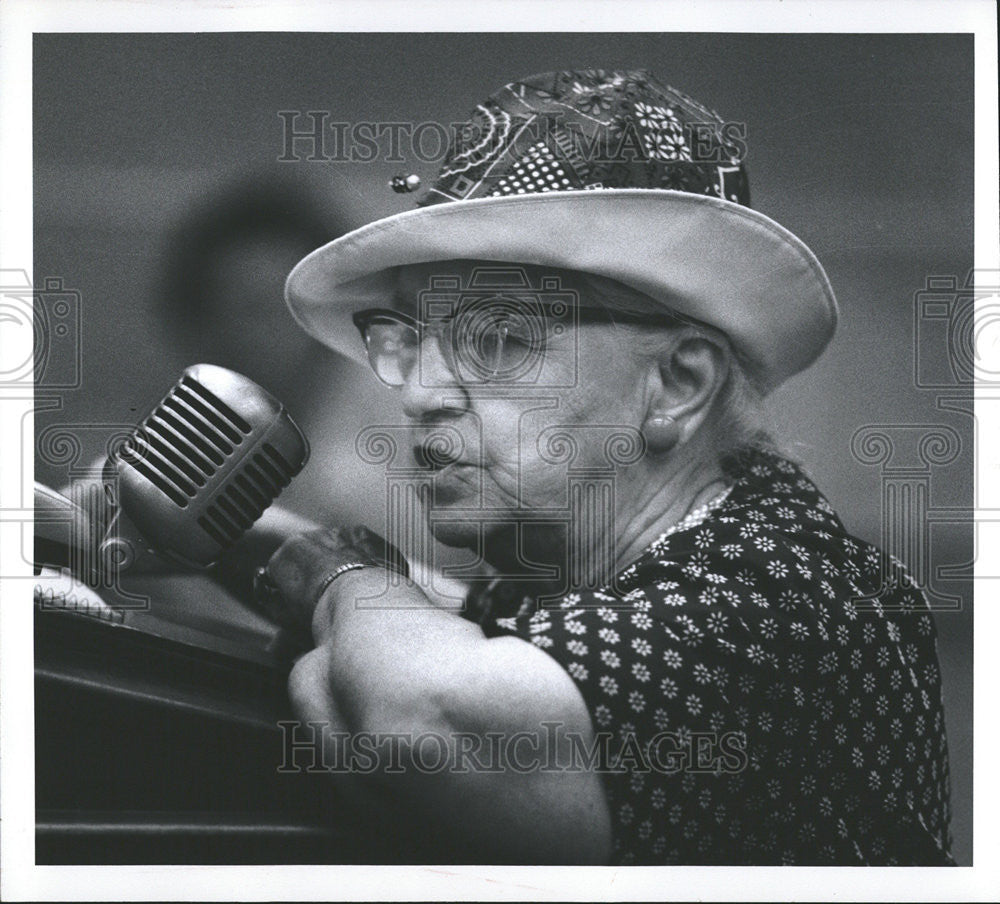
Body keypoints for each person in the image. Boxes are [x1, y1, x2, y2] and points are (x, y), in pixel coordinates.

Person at [257, 69, 953, 865]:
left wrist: (346, 579)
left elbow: (418, 720)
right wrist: (231, 532)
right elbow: (405, 651)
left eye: (498, 339)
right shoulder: (593, 573)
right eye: (411, 340)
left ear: (676, 385)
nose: (420, 393)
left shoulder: (787, 591)